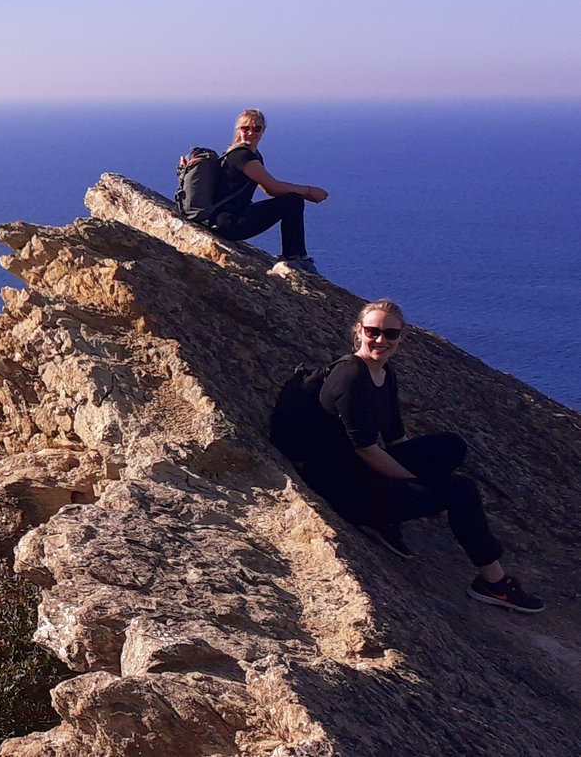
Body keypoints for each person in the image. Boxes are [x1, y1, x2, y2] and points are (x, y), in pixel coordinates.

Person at [307, 299, 543, 613]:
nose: (381, 340)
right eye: (373, 331)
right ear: (359, 332)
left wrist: (422, 487)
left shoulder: (383, 373)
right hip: (342, 488)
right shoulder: (350, 377)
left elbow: (395, 438)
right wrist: (422, 487)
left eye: (391, 334)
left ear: (400, 339)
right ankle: (494, 583)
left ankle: (388, 517)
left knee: (451, 446)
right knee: (460, 491)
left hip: (359, 472)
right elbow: (366, 449)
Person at [211, 108, 327, 273]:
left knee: (293, 201)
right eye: (246, 128)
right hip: (230, 223)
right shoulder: (242, 157)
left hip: (230, 219)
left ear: (263, 130)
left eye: (257, 128)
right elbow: (274, 187)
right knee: (293, 201)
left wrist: (304, 194)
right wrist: (308, 190)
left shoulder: (252, 155)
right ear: (238, 130)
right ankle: (292, 258)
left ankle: (299, 256)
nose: (251, 132)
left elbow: (270, 190)